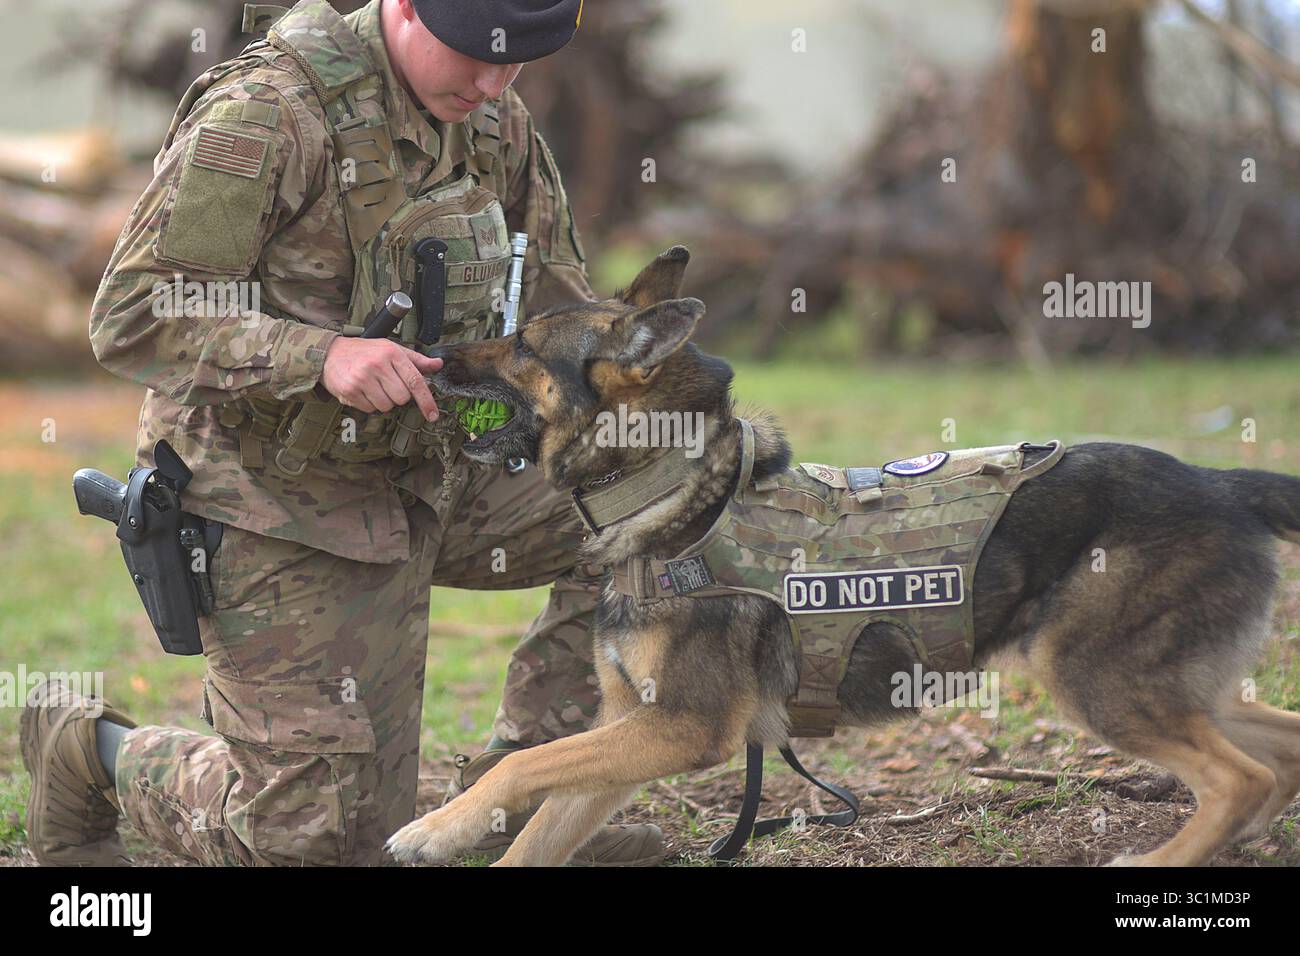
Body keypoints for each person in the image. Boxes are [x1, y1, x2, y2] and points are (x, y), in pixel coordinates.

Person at [22, 0, 661, 866]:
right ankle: (89, 751)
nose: (495, 81)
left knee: (656, 506)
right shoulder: (271, 113)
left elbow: (556, 291)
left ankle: (525, 804)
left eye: (519, 61)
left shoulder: (490, 117)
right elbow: (133, 313)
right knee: (314, 849)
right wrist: (318, 356)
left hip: (440, 465)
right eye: (473, 53)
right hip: (279, 498)